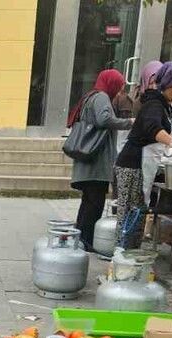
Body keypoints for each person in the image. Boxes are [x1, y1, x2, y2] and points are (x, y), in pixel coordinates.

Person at [114, 62, 172, 250]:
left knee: (138, 213)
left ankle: (132, 255)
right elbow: (152, 128)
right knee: (130, 214)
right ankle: (121, 256)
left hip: (142, 164)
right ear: (168, 83)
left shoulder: (164, 105)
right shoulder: (154, 104)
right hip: (132, 165)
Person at [67, 69, 132, 254]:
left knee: (88, 202)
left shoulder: (92, 96)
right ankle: (87, 240)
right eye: (119, 87)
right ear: (111, 83)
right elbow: (104, 120)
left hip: (89, 160)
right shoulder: (102, 97)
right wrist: (129, 122)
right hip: (96, 162)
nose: (119, 92)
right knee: (94, 203)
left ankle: (81, 238)